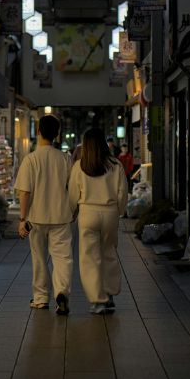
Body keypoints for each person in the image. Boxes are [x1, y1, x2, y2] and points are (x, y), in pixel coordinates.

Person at [14, 114, 74, 315]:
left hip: (36, 218)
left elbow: (25, 192)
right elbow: (72, 188)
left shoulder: (30, 159)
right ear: (57, 135)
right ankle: (62, 293)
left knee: (39, 258)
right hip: (61, 216)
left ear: (38, 132)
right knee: (63, 258)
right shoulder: (65, 158)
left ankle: (40, 298)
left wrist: (22, 219)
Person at [68, 127, 128, 314]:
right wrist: (118, 211)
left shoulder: (80, 166)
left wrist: (73, 212)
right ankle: (109, 294)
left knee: (89, 258)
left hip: (87, 213)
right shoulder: (115, 165)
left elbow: (72, 193)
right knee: (109, 253)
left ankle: (98, 300)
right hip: (109, 212)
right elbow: (123, 192)